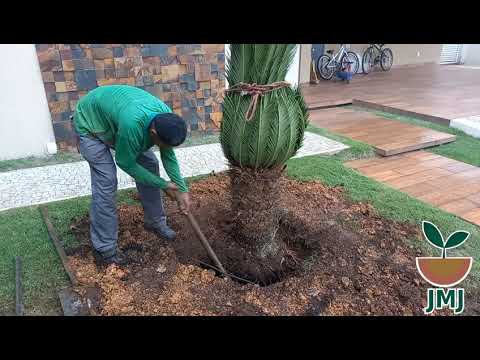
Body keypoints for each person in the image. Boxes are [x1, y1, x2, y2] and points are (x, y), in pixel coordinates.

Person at [73, 85, 191, 265]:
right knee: (106, 181)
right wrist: (163, 184)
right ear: (153, 133)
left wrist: (182, 189)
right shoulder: (131, 127)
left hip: (116, 119)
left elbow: (168, 154)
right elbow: (125, 162)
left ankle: (155, 222)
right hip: (90, 124)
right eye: (161, 143)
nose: (165, 148)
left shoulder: (165, 117)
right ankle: (104, 249)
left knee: (150, 164)